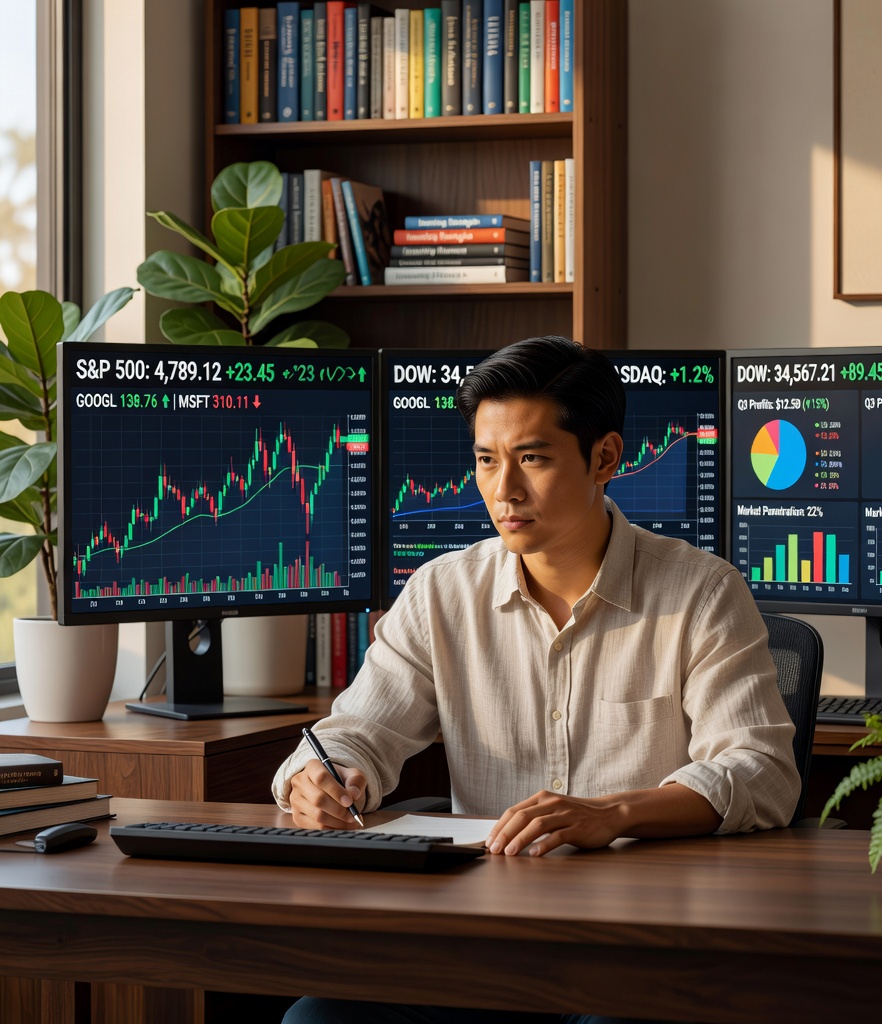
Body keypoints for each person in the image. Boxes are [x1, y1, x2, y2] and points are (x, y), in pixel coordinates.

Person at [274, 336, 801, 1024]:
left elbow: (761, 771)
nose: (504, 491)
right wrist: (323, 776)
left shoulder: (701, 592)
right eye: (486, 460)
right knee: (317, 1018)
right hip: (481, 936)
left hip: (642, 937)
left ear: (604, 458)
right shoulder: (441, 592)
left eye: (533, 459)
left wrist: (612, 814)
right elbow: (356, 732)